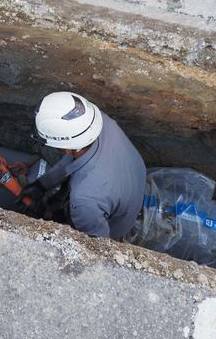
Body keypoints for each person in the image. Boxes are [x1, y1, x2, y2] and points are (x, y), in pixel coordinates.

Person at [21, 91, 145, 240]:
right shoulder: (98, 121)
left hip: (120, 224)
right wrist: (42, 184)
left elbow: (98, 246)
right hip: (133, 181)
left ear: (67, 149)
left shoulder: (84, 199)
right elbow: (72, 158)